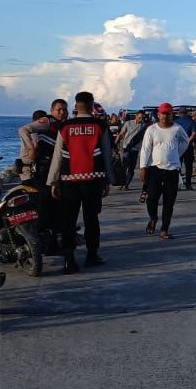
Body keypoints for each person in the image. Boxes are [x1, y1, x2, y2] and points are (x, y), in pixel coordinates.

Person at [47, 91, 114, 273]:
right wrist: (109, 179)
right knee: (91, 219)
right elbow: (107, 155)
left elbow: (57, 156)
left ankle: (69, 261)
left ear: (75, 106)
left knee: (68, 221)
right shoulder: (100, 125)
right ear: (92, 106)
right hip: (93, 180)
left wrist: (52, 181)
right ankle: (92, 256)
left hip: (69, 180)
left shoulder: (65, 127)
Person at [139, 102, 189, 240]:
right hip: (155, 169)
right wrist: (143, 167)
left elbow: (185, 142)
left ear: (172, 115)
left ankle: (164, 229)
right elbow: (145, 149)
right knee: (152, 199)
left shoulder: (177, 129)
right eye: (163, 114)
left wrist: (176, 154)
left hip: (172, 170)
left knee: (169, 202)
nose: (165, 116)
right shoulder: (152, 129)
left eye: (168, 114)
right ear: (159, 115)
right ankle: (153, 218)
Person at [18, 99, 69, 235]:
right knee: (44, 203)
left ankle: (53, 232)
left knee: (55, 204)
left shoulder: (63, 126)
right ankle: (42, 232)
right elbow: (23, 130)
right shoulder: (48, 122)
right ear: (52, 111)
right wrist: (31, 150)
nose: (62, 112)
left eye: (65, 109)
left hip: (54, 169)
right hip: (41, 171)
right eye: (59, 109)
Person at [116, 110, 149, 190]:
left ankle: (126, 184)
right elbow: (121, 134)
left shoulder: (144, 126)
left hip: (135, 149)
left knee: (131, 168)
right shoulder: (128, 123)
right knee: (124, 167)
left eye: (142, 118)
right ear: (136, 116)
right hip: (126, 148)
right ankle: (122, 183)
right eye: (140, 117)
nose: (141, 119)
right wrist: (115, 144)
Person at [174, 108, 196, 190]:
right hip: (188, 146)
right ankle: (188, 184)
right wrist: (187, 141)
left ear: (179, 113)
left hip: (178, 146)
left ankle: (178, 183)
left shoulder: (176, 122)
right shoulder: (191, 121)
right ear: (187, 113)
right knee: (189, 166)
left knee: (177, 166)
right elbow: (194, 133)